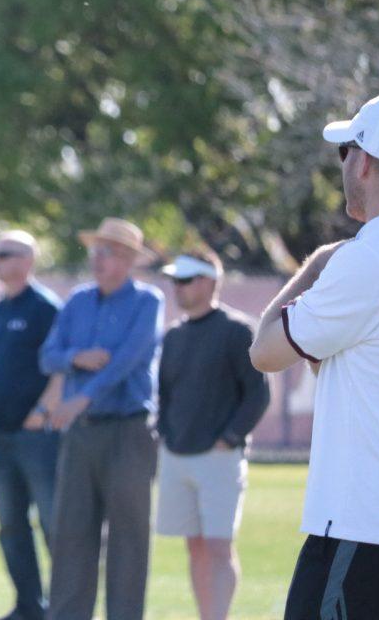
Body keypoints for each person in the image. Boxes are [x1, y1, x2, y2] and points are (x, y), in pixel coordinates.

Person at [249, 93, 379, 619]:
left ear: (361, 162)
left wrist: (318, 262)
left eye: (345, 154)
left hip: (368, 526)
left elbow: (265, 351)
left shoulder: (365, 261)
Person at [40, 217, 163, 620]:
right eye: (95, 250)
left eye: (107, 251)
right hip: (82, 435)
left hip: (129, 430)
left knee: (129, 539)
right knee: (71, 534)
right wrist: (76, 357)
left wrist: (81, 398)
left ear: (128, 259)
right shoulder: (77, 300)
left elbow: (127, 361)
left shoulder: (148, 301)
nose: (97, 258)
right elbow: (48, 356)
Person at [157, 248, 270, 620]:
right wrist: (166, 437)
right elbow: (165, 395)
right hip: (177, 454)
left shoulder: (237, 330)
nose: (179, 288)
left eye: (186, 280)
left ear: (209, 282)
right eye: (176, 281)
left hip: (219, 457)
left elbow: (257, 394)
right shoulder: (174, 336)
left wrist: (230, 437)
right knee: (195, 548)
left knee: (219, 547)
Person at [0, 229, 63, 620]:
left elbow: (61, 372)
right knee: (11, 527)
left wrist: (42, 414)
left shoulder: (45, 308)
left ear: (28, 261)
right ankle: (29, 607)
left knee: (52, 523)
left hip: (37, 436)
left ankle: (65, 607)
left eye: (7, 254)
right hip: (1, 434)